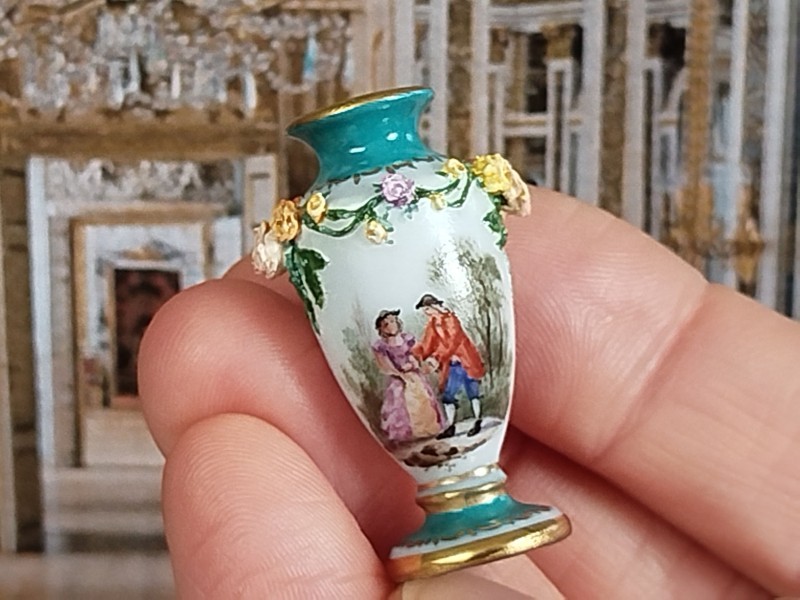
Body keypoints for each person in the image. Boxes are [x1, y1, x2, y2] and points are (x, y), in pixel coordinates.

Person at [138, 187, 800, 599]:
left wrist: (426, 353)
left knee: (454, 399)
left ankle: (470, 476)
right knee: (427, 407)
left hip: (455, 364)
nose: (407, 320)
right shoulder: (398, 302)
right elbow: (415, 348)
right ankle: (455, 476)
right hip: (425, 371)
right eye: (400, 320)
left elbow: (444, 342)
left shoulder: (442, 292)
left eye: (409, 315)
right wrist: (413, 355)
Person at [413, 294, 486, 438]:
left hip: (465, 362)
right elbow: (428, 342)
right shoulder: (433, 324)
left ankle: (477, 420)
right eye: (425, 310)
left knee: (472, 392)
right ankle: (451, 426)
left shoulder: (451, 320)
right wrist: (418, 354)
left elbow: (453, 342)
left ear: (434, 307)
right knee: (448, 395)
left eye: (427, 309)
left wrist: (438, 356)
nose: (426, 313)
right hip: (452, 365)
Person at [372, 309, 445, 442]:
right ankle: (407, 434)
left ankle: (427, 429)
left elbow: (417, 354)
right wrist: (399, 373)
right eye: (386, 324)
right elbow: (384, 365)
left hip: (413, 374)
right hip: (398, 377)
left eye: (393, 321)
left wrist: (413, 363)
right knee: (399, 400)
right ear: (381, 328)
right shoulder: (381, 346)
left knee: (423, 398)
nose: (391, 325)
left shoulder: (407, 339)